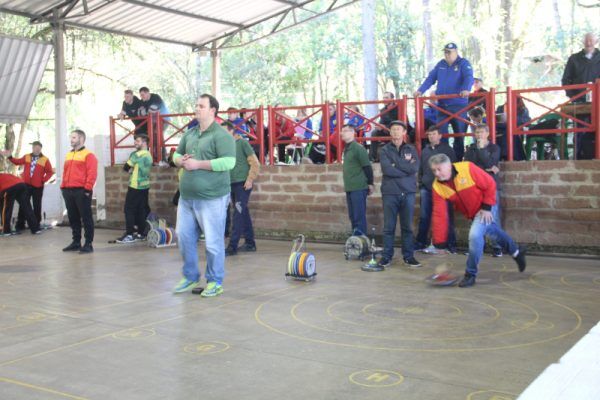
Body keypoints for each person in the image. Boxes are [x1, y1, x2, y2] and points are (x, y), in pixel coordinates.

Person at [429, 154, 526, 287]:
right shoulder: (437, 186)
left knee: (475, 235)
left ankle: (470, 274)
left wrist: (487, 208)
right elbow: (439, 215)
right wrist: (439, 243)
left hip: (486, 205)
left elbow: (490, 183)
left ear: (449, 165)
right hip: (473, 212)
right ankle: (517, 252)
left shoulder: (467, 168)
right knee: (493, 232)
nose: (437, 174)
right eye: (434, 170)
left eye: (439, 169)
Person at [172, 94, 235, 297]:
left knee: (213, 242)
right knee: (183, 237)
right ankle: (190, 276)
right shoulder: (190, 134)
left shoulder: (221, 135)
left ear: (212, 110)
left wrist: (198, 164)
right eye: (196, 105)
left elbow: (228, 163)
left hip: (212, 198)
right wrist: (180, 160)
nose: (196, 109)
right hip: (187, 197)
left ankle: (215, 281)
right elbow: (175, 155)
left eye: (201, 106)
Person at [415, 42, 474, 161]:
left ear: (456, 52)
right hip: (441, 105)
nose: (447, 55)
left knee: (459, 134)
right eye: (445, 52)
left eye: (450, 52)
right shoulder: (441, 64)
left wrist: (466, 89)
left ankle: (457, 160)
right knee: (441, 133)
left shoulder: (463, 63)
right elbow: (431, 78)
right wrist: (420, 90)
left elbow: (469, 77)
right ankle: (443, 159)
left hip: (458, 105)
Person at [378, 121, 421, 268]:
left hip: (408, 192)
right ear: (390, 133)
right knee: (389, 227)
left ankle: (408, 257)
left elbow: (414, 168)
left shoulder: (411, 149)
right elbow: (387, 170)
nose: (395, 132)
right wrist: (404, 167)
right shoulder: (384, 150)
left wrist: (396, 164)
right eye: (393, 129)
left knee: (407, 227)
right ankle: (386, 257)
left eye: (398, 129)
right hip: (390, 192)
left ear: (404, 132)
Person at [414, 126, 457, 253]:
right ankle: (421, 243)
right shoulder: (425, 150)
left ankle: (450, 244)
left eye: (433, 134)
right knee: (424, 216)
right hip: (427, 189)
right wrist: (421, 183)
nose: (431, 136)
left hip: (444, 189)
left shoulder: (448, 150)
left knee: (447, 216)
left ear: (440, 136)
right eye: (429, 134)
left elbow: (453, 168)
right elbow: (421, 168)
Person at [463, 124, 503, 257]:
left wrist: (481, 150)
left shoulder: (494, 148)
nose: (478, 135)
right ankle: (476, 247)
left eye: (481, 132)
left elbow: (489, 162)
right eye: (477, 132)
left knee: (493, 217)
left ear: (487, 134)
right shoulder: (471, 148)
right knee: (474, 217)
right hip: (474, 187)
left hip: (490, 187)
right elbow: (469, 166)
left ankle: (497, 247)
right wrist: (486, 170)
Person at [223, 121, 260, 256]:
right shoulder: (225, 146)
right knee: (242, 212)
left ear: (232, 131)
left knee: (237, 213)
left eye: (224, 131)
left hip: (243, 184)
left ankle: (232, 247)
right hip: (231, 184)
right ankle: (250, 243)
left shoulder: (242, 143)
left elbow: (255, 163)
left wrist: (250, 179)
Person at [561, 33, 600, 159]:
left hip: (598, 102)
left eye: (591, 39)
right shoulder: (574, 59)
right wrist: (573, 96)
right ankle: (579, 158)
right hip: (579, 102)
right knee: (580, 130)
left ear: (596, 41)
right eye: (586, 39)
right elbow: (566, 80)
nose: (589, 42)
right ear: (583, 41)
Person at [1, 141, 53, 230]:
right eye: (34, 147)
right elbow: (17, 162)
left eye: (38, 148)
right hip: (26, 185)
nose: (36, 149)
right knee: (23, 205)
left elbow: (49, 172)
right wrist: (10, 156)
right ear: (32, 148)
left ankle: (36, 224)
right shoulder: (27, 156)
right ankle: (20, 224)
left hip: (38, 186)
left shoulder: (45, 159)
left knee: (37, 205)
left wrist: (43, 180)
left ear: (40, 149)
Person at [61, 129, 98, 253]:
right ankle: (76, 242)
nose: (71, 140)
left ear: (81, 139)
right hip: (68, 191)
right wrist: (63, 187)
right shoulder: (68, 154)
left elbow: (92, 173)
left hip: (82, 191)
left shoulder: (89, 155)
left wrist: (87, 189)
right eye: (71, 137)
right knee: (73, 217)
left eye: (74, 137)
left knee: (86, 217)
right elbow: (65, 172)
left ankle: (88, 244)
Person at [116, 135, 153, 243]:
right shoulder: (148, 155)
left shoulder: (136, 155)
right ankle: (141, 233)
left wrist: (131, 172)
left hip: (135, 186)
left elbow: (126, 167)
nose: (135, 143)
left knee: (129, 209)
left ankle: (129, 234)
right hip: (145, 186)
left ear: (144, 142)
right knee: (141, 210)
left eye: (138, 141)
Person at [341, 124, 374, 237]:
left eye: (345, 131)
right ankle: (355, 241)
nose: (342, 133)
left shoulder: (358, 148)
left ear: (352, 133)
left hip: (359, 187)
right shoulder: (347, 148)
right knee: (353, 216)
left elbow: (367, 167)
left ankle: (361, 242)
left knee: (359, 216)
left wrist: (370, 183)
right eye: (342, 131)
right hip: (350, 187)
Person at [139, 87, 169, 162]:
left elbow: (153, 109)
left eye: (143, 95)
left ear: (148, 93)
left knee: (158, 136)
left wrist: (147, 111)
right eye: (140, 95)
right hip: (154, 121)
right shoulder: (143, 101)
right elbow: (140, 113)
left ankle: (163, 158)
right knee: (152, 138)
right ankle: (154, 158)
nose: (141, 97)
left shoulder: (156, 97)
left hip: (164, 119)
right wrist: (147, 111)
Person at [369, 91, 398, 162]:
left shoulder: (398, 108)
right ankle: (373, 157)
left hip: (397, 130)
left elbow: (400, 122)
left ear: (392, 99)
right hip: (386, 130)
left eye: (387, 98)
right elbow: (382, 122)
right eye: (383, 98)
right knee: (374, 133)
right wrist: (379, 126)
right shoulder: (382, 110)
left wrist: (385, 126)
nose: (384, 99)